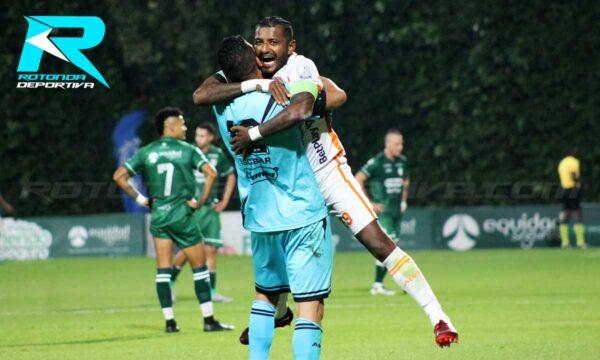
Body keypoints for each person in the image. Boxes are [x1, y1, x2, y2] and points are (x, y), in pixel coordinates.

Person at [195, 16, 458, 348]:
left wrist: (304, 102)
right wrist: (258, 85)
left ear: (289, 47)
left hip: (327, 174)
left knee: (378, 243)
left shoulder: (300, 67)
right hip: (288, 184)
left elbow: (336, 94)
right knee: (277, 266)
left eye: (272, 43)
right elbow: (203, 93)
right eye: (258, 42)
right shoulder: (251, 74)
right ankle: (276, 313)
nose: (264, 49)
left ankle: (438, 316)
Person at [215, 35, 333, 359]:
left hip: (261, 215)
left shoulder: (220, 105)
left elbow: (204, 90)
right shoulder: (284, 100)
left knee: (265, 296)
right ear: (255, 60)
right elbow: (327, 100)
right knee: (310, 306)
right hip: (302, 212)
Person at [112, 107, 233, 333]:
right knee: (200, 268)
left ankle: (170, 323)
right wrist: (199, 201)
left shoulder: (147, 152)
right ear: (170, 126)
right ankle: (208, 321)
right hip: (182, 215)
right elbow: (212, 174)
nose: (185, 127)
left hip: (159, 215)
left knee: (163, 270)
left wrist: (142, 200)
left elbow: (119, 177)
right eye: (182, 123)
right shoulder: (187, 149)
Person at [171, 123, 237, 303]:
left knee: (211, 250)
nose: (198, 138)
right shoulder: (188, 152)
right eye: (197, 135)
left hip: (210, 209)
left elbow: (231, 175)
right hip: (192, 209)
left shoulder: (217, 154)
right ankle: (168, 284)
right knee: (187, 250)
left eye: (202, 135)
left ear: (210, 137)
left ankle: (212, 291)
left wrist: (224, 200)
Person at [355, 129, 410, 296]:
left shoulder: (402, 161)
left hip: (396, 211)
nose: (400, 147)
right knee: (389, 246)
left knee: (393, 246)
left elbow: (406, 181)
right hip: (384, 211)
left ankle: (383, 284)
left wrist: (403, 200)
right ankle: (379, 285)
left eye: (401, 144)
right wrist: (369, 203)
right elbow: (358, 179)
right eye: (397, 144)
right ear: (388, 144)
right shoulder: (377, 162)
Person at [558, 146, 587, 249]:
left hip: (564, 189)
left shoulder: (562, 162)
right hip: (573, 189)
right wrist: (580, 183)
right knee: (577, 213)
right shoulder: (574, 161)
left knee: (565, 213)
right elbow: (573, 175)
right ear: (573, 152)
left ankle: (565, 242)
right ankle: (580, 241)